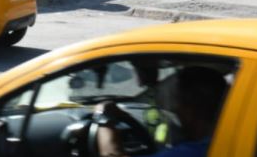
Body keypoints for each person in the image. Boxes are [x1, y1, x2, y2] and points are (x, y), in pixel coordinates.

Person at [95, 65, 228, 157]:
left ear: (190, 110)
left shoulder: (192, 151)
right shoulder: (222, 142)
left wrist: (103, 118)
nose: (175, 110)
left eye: (177, 103)